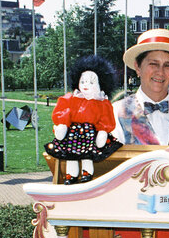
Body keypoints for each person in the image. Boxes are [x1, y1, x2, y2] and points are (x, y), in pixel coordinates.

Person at [45, 55, 122, 184]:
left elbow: (105, 118)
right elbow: (64, 112)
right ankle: (71, 174)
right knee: (71, 155)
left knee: (88, 155)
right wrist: (62, 125)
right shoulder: (71, 99)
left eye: (91, 82)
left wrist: (102, 132)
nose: (86, 85)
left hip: (90, 134)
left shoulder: (101, 103)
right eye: (83, 81)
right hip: (73, 134)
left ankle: (87, 173)